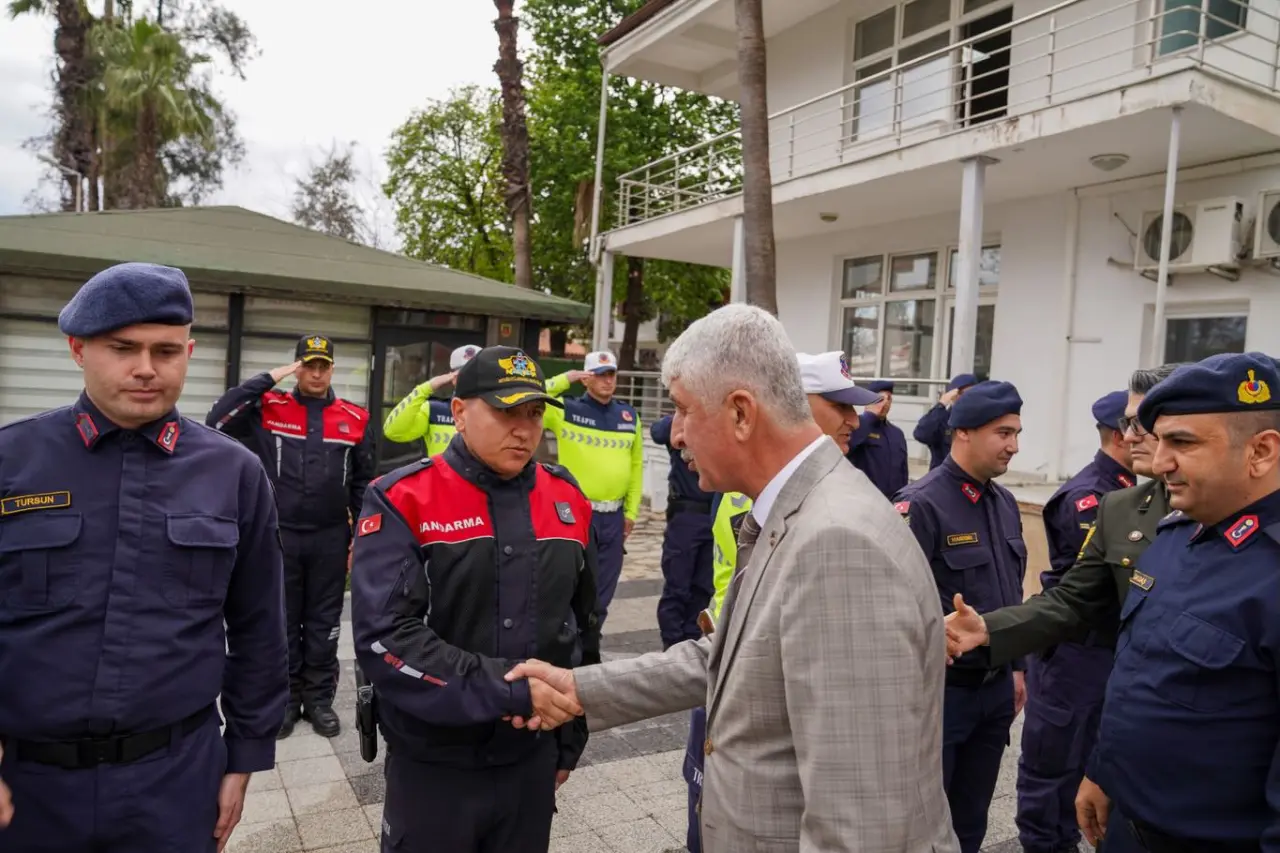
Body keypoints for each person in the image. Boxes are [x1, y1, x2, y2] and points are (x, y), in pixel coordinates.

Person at [505, 305, 960, 853]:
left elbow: (859, 826)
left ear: (741, 413)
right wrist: (580, 688)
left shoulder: (837, 544)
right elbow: (730, 656)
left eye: (682, 409)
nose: (675, 435)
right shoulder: (794, 510)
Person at [0, 262, 287, 852]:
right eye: (123, 348)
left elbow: (260, 627)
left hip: (175, 785)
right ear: (78, 350)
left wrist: (245, 757)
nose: (146, 368)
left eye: (166, 350)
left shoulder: (233, 473)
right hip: (26, 789)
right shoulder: (12, 462)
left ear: (189, 353)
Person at [349, 345, 600, 853]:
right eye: (507, 412)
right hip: (435, 764)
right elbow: (385, 639)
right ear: (460, 412)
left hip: (530, 758)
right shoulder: (403, 498)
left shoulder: (568, 498)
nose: (525, 430)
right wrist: (510, 692)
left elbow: (583, 623)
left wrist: (572, 735)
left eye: (534, 413)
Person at [943, 365, 1184, 853]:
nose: (1127, 435)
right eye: (1128, 423)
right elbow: (1072, 598)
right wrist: (988, 630)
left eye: (1141, 423)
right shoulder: (1121, 507)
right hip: (1116, 710)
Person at [1073, 352, 1280, 852]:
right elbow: (1141, 671)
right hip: (1127, 826)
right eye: (1160, 440)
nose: (1161, 461)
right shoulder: (1176, 534)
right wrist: (1102, 771)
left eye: (1182, 443)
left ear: (1261, 451)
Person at [678, 349, 877, 853]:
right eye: (839, 405)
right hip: (739, 670)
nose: (855, 419)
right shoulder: (755, 496)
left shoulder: (822, 492)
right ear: (797, 406)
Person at [206, 333, 375, 739]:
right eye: (308, 365)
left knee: (323, 623)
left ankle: (318, 701)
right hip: (277, 535)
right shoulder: (269, 406)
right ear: (297, 367)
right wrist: (269, 377)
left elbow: (364, 484)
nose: (315, 373)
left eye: (323, 366)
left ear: (332, 369)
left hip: (330, 538)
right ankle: (285, 701)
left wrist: (363, 538)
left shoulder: (355, 418)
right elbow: (217, 420)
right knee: (281, 620)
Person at [892, 380, 1028, 853]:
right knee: (923, 827)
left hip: (993, 693)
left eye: (1017, 433)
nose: (1014, 446)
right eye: (1003, 433)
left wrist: (1016, 667)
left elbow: (1010, 592)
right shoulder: (919, 504)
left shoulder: (1003, 503)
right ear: (963, 432)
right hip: (940, 696)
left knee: (971, 824)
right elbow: (896, 603)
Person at [1014, 388, 1135, 853]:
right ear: (1120, 436)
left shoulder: (1131, 492)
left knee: (1096, 763)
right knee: (1054, 769)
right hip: (1075, 654)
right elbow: (1097, 587)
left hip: (1106, 652)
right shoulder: (1089, 498)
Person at [543, 350, 642, 629]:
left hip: (614, 517)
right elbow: (533, 395)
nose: (607, 380)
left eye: (611, 374)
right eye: (599, 375)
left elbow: (636, 466)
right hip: (577, 513)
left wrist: (631, 512)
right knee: (571, 585)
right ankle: (567, 642)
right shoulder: (565, 409)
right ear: (585, 379)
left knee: (603, 590)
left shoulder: (628, 416)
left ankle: (590, 643)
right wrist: (566, 378)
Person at [651, 414, 716, 652]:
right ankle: (672, 645)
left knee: (704, 588)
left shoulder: (718, 423)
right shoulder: (679, 423)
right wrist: (686, 414)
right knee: (677, 586)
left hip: (714, 514)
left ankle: (690, 642)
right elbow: (657, 432)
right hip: (685, 515)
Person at [382, 344, 482, 453]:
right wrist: (426, 388)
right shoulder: (435, 410)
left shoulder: (493, 409)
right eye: (463, 374)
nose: (470, 380)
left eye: (476, 375)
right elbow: (392, 431)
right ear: (453, 378)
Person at [847, 379, 910, 498]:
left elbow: (903, 472)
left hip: (892, 501)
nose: (885, 403)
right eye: (880, 398)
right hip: (864, 498)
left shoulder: (897, 433)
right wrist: (870, 415)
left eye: (889, 399)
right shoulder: (856, 425)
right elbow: (847, 447)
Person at [914, 373, 979, 469]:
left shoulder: (982, 420)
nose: (968, 398)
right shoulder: (942, 418)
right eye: (962, 394)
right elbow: (921, 434)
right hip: (945, 475)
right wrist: (941, 404)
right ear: (953, 396)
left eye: (972, 394)